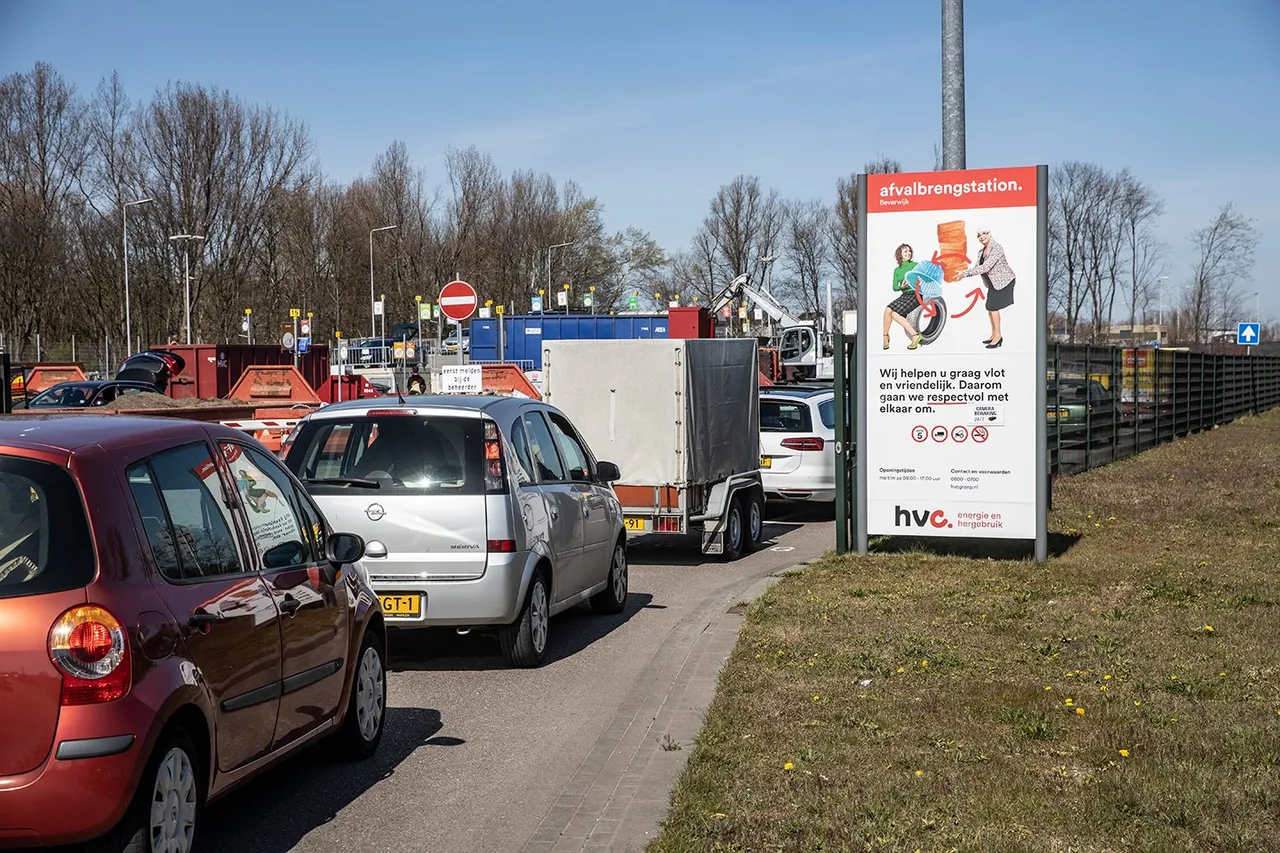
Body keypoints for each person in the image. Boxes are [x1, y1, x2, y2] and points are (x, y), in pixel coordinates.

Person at [960, 229, 1016, 349]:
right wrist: (964, 273)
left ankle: (998, 337)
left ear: (989, 234)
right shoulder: (981, 252)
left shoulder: (997, 248)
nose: (981, 237)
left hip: (1003, 282)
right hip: (992, 283)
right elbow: (977, 267)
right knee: (990, 308)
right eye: (978, 235)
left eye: (984, 234)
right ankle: (994, 334)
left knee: (992, 307)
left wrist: (964, 274)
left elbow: (986, 267)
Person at [882, 243, 925, 350]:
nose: (908, 253)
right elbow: (895, 287)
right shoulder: (897, 270)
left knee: (894, 313)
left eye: (909, 251)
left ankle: (914, 336)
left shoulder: (915, 265)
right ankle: (886, 337)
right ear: (900, 254)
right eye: (905, 251)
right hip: (905, 295)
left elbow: (923, 278)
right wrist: (901, 286)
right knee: (889, 310)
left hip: (915, 294)